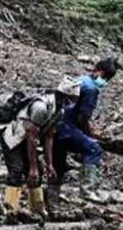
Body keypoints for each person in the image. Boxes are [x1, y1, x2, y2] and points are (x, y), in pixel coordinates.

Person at [0, 77, 80, 217]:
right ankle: (10, 210)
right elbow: (31, 137)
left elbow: (48, 136)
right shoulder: (41, 107)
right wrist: (33, 167)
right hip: (13, 135)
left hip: (27, 137)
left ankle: (36, 209)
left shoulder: (58, 111)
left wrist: (49, 164)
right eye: (71, 99)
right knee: (17, 171)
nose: (72, 103)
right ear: (65, 96)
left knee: (38, 174)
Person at [48, 57, 119, 208]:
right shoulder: (92, 89)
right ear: (100, 72)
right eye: (106, 77)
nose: (105, 81)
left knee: (58, 164)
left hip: (53, 126)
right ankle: (87, 191)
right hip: (67, 128)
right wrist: (90, 136)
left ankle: (51, 198)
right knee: (94, 149)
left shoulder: (79, 79)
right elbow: (82, 118)